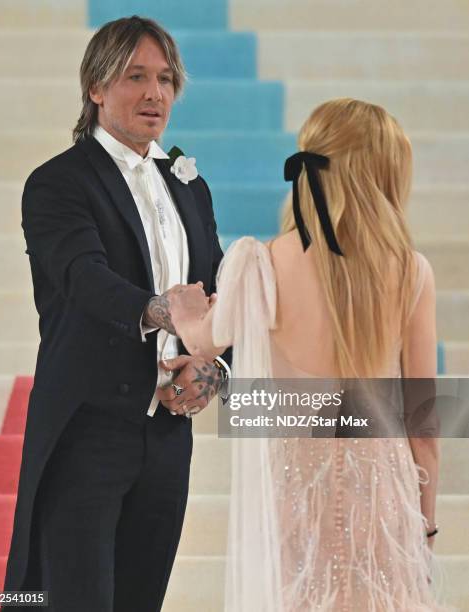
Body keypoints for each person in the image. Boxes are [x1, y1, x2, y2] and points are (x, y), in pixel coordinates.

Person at [163, 99, 454, 610]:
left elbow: (205, 341)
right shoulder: (411, 272)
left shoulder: (259, 262)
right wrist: (425, 528)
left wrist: (184, 310)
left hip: (292, 488)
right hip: (382, 491)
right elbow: (424, 428)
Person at [2, 15, 230, 612]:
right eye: (135, 77)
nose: (155, 93)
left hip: (167, 434)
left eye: (164, 79)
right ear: (96, 88)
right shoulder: (57, 182)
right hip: (87, 429)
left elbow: (218, 296)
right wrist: (165, 311)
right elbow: (85, 281)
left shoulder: (190, 188)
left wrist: (208, 369)